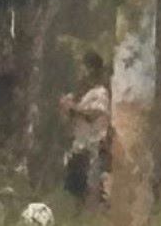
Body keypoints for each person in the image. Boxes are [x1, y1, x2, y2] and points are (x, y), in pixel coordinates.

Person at [59, 53, 112, 208]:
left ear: (91, 69)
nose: (80, 70)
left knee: (93, 188)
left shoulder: (100, 93)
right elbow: (67, 121)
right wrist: (64, 108)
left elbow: (92, 115)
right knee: (76, 190)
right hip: (79, 147)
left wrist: (73, 108)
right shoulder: (81, 93)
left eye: (82, 66)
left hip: (94, 148)